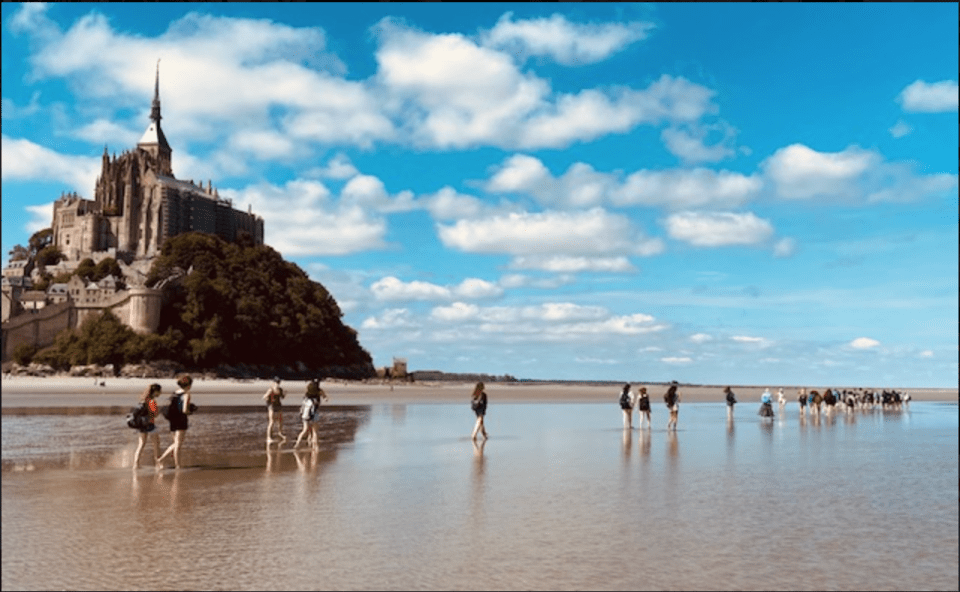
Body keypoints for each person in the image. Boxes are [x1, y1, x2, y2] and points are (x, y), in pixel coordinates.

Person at [157, 375, 193, 469]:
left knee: (176, 443)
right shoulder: (187, 394)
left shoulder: (174, 393)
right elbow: (185, 410)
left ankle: (164, 460)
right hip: (181, 419)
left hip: (172, 419)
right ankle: (176, 465)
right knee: (178, 444)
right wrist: (190, 411)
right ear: (189, 385)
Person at [133, 383, 161, 469]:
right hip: (150, 424)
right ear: (155, 392)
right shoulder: (152, 401)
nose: (160, 393)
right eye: (159, 391)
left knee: (141, 445)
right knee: (156, 444)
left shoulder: (143, 400)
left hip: (141, 425)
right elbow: (155, 414)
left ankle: (136, 464)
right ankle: (158, 464)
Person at [294, 379, 327, 449]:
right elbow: (325, 397)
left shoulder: (307, 394)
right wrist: (325, 398)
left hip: (306, 413)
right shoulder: (319, 391)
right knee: (315, 431)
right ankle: (316, 446)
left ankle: (297, 443)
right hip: (315, 412)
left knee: (304, 430)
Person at [263, 376, 286, 443]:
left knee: (280, 420)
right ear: (274, 382)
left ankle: (280, 433)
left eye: (278, 382)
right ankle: (268, 437)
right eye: (276, 382)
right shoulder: (271, 389)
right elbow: (264, 397)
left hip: (278, 405)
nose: (277, 383)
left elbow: (282, 397)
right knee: (272, 421)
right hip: (272, 406)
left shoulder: (280, 389)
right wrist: (268, 398)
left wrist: (284, 394)